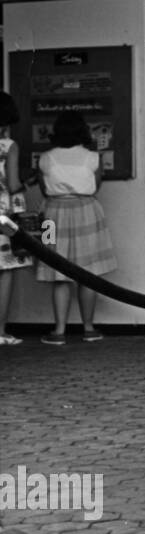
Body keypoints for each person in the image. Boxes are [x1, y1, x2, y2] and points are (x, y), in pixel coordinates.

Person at [35, 111, 117, 344]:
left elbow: (43, 189)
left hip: (52, 214)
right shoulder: (93, 157)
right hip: (87, 211)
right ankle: (89, 328)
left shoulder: (46, 158)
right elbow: (97, 185)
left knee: (57, 272)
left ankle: (59, 331)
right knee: (87, 273)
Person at [0, 91, 32, 344]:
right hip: (3, 219)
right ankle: (0, 332)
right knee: (5, 271)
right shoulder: (9, 146)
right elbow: (12, 184)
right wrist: (26, 182)